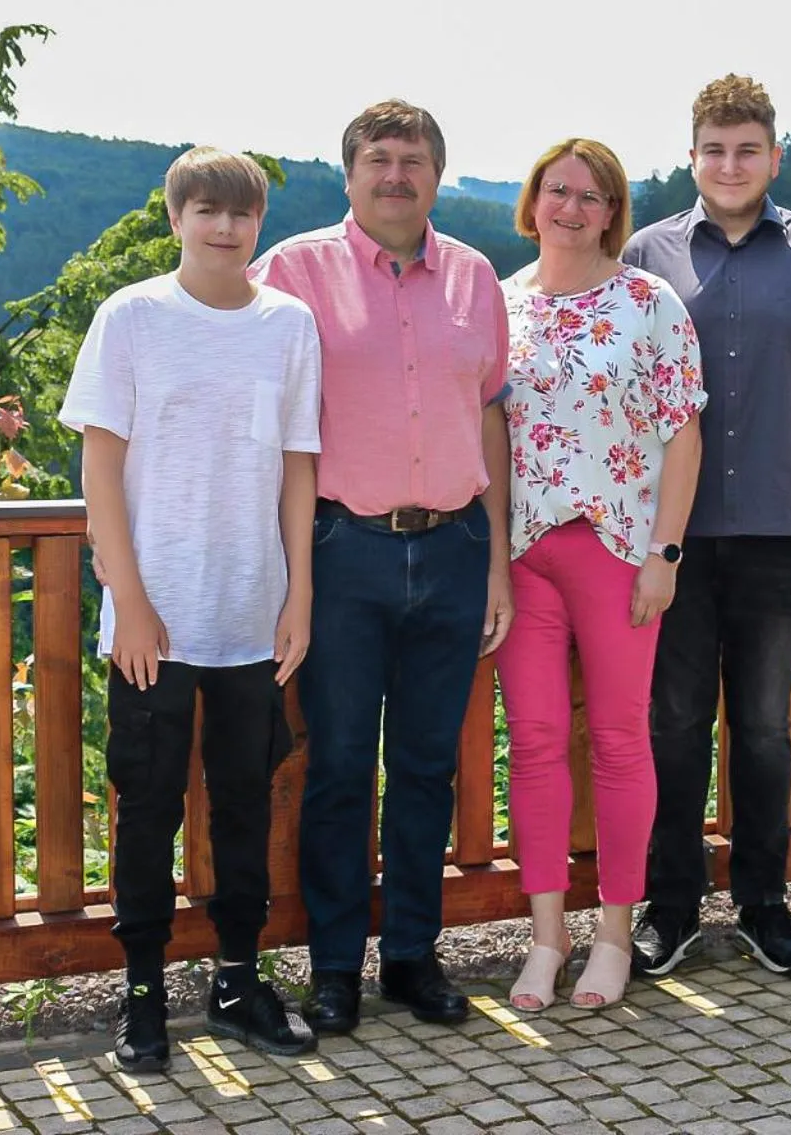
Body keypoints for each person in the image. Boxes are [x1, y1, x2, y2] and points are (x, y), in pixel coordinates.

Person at [252, 100, 513, 1034]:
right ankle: (332, 969)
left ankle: (410, 957)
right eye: (378, 159)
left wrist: (498, 564)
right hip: (342, 550)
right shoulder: (292, 270)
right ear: (349, 172)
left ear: (437, 175)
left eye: (412, 160)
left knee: (427, 768)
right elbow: (261, 408)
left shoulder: (476, 278)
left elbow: (490, 417)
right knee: (338, 771)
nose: (395, 175)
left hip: (454, 547)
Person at [61, 146, 322, 1073]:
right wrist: (126, 599)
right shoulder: (132, 318)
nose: (223, 227)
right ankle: (141, 996)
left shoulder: (289, 326)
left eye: (239, 213)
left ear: (258, 226)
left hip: (251, 614)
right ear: (175, 219)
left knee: (248, 802)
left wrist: (299, 595)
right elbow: (98, 466)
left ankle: (240, 981)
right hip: (152, 622)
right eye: (205, 210)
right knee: (148, 806)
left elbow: (299, 466)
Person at [621, 75, 791, 979]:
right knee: (674, 725)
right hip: (671, 539)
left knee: (766, 730)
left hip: (779, 533)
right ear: (692, 157)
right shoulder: (645, 254)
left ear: (774, 156)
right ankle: (671, 909)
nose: (730, 166)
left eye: (747, 149)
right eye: (714, 150)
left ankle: (766, 904)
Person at [495, 138, 705, 1011]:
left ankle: (614, 936)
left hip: (621, 552)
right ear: (533, 200)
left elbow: (683, 431)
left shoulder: (648, 301)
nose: (572, 209)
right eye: (557, 191)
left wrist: (666, 553)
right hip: (521, 557)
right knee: (536, 745)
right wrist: (490, 567)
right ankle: (546, 939)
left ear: (612, 210)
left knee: (621, 744)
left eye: (591, 195)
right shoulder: (499, 304)